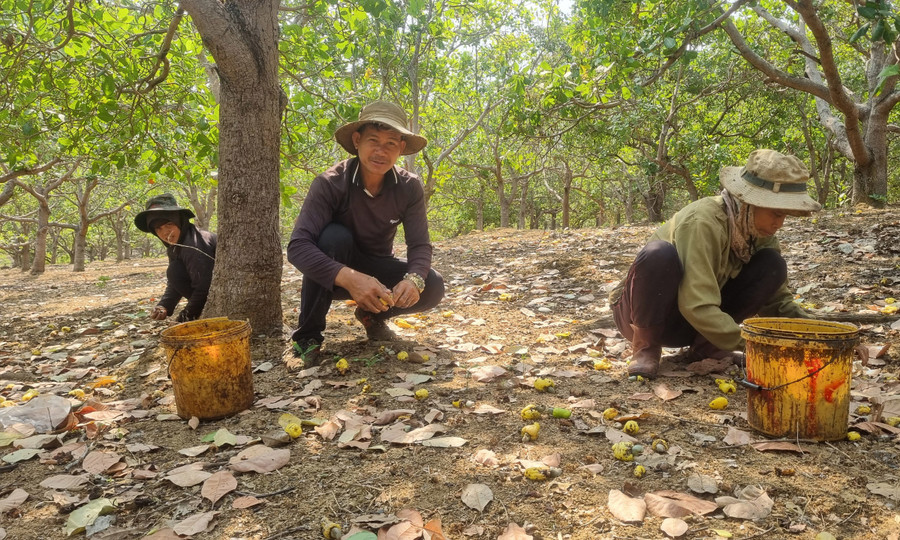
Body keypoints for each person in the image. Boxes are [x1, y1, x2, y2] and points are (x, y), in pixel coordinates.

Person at [609, 149, 822, 378]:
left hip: (692, 326)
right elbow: (696, 304)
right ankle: (645, 348)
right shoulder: (702, 222)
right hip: (641, 315)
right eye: (775, 213)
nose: (779, 224)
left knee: (772, 264)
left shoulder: (759, 234)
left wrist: (821, 335)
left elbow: (778, 302)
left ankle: (707, 348)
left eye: (784, 217)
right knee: (659, 254)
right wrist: (754, 344)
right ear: (747, 202)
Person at [286, 101, 445, 366]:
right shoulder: (330, 183)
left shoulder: (409, 187)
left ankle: (373, 316)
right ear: (357, 140)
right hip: (332, 273)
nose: (381, 151)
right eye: (373, 140)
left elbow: (419, 244)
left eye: (391, 143)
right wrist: (349, 277)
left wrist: (413, 280)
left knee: (433, 284)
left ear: (401, 149)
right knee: (334, 237)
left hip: (376, 269)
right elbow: (298, 246)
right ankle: (306, 338)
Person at [134, 193, 216, 323]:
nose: (165, 232)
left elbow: (204, 286)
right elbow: (176, 279)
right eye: (158, 228)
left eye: (169, 224)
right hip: (208, 294)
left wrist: (185, 317)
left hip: (218, 294)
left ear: (180, 221)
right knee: (174, 270)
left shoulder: (194, 244)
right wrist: (164, 305)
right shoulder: (176, 245)